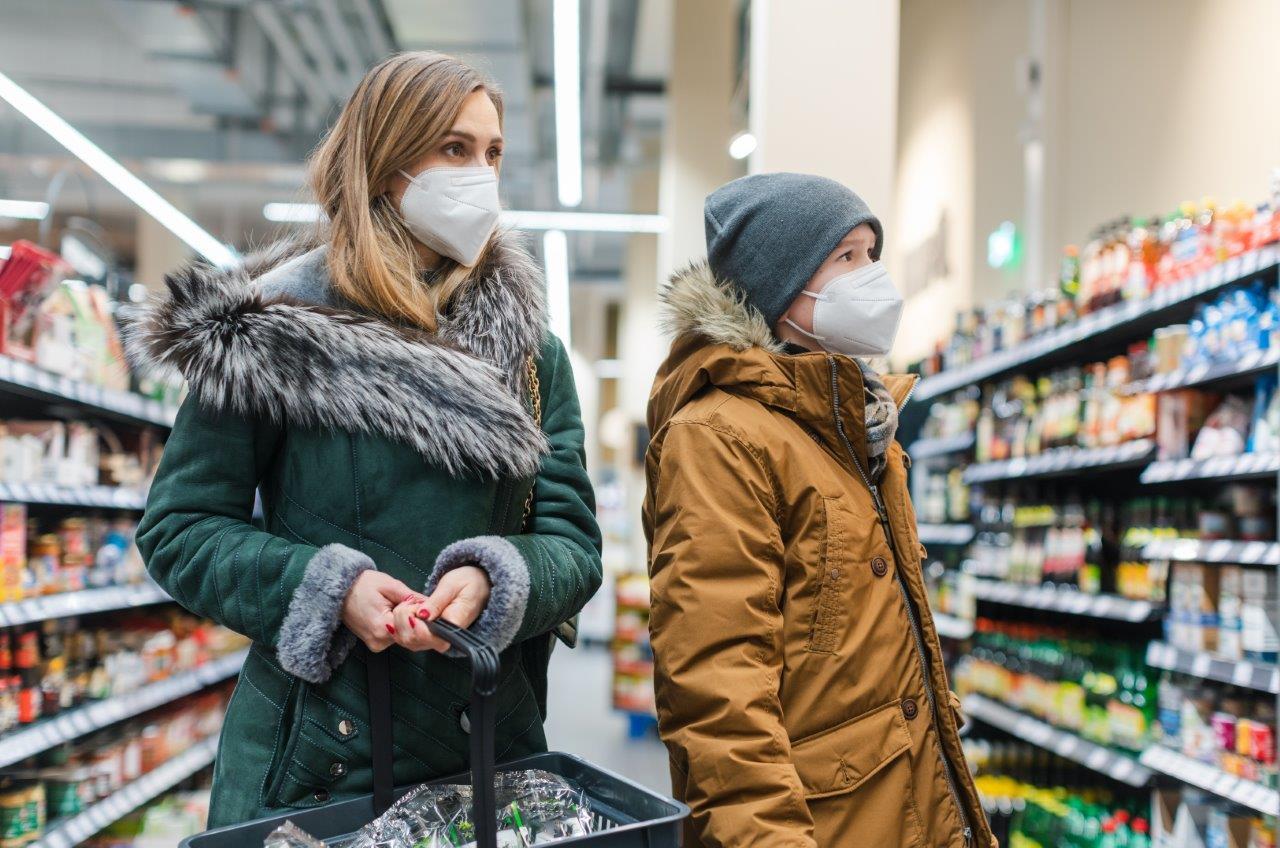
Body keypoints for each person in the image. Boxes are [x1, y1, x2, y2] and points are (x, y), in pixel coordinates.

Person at [128, 52, 602, 827]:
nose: (481, 176)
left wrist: (499, 578)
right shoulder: (268, 331)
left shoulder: (530, 352)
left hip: (485, 744)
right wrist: (325, 587)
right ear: (384, 164)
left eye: (492, 154)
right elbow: (180, 530)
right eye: (454, 149)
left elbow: (574, 544)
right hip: (318, 752)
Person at [643, 173, 996, 847]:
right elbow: (718, 691)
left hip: (898, 804)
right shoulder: (719, 436)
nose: (873, 277)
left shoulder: (857, 427)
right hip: (813, 821)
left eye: (872, 254)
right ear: (781, 284)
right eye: (847, 258)